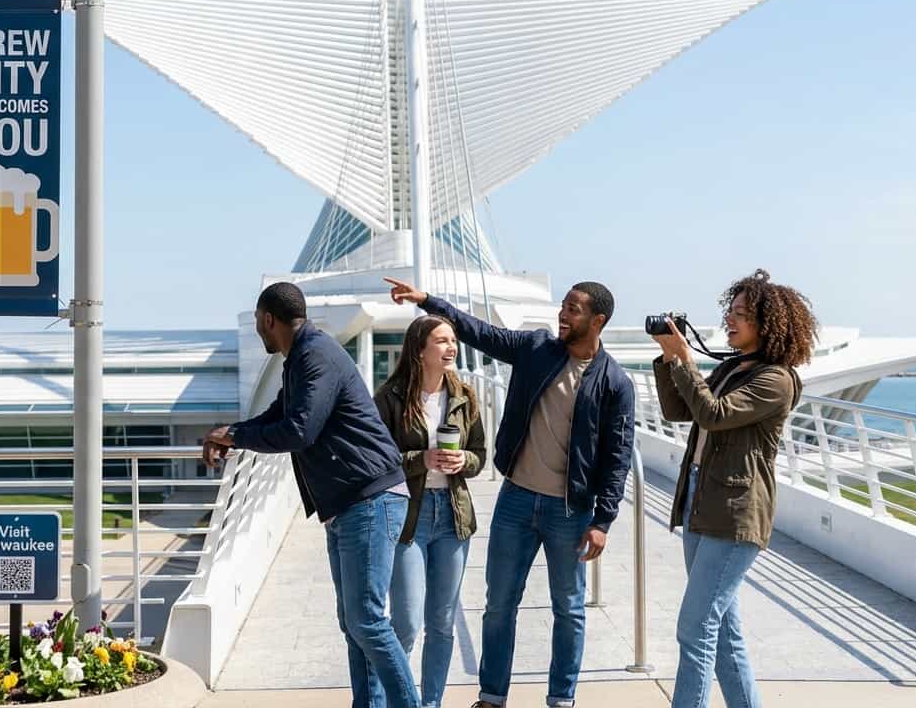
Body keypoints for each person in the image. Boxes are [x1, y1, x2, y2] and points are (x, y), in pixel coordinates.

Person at [385, 277, 635, 708]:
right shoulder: (536, 349)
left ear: (598, 321)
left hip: (570, 510)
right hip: (516, 500)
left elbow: (618, 455)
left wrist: (603, 520)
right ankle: (492, 696)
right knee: (499, 604)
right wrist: (428, 301)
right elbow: (479, 331)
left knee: (569, 609)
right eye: (563, 305)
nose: (562, 313)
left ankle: (561, 698)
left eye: (573, 309)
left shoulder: (614, 382)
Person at [203, 282, 420, 708]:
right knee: (354, 623)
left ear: (268, 319)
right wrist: (231, 434)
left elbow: (299, 430)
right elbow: (278, 413)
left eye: (257, 324)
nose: (259, 332)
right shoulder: (301, 357)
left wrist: (232, 436)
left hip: (369, 498)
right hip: (346, 504)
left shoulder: (315, 354)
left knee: (368, 621)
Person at [650, 269, 817, 708]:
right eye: (730, 310)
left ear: (767, 324)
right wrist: (671, 360)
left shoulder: (776, 380)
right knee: (722, 631)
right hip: (700, 507)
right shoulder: (730, 368)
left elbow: (714, 415)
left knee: (694, 627)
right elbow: (677, 409)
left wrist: (685, 360)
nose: (730, 318)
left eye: (741, 313)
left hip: (736, 512)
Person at [374, 315, 487, 708]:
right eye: (441, 341)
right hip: (407, 517)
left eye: (453, 340)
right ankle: (396, 701)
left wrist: (463, 463)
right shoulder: (390, 398)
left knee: (441, 622)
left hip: (453, 518)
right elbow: (379, 461)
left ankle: (431, 703)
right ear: (420, 350)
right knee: (405, 622)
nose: (451, 347)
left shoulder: (465, 397)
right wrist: (422, 459)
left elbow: (480, 456)